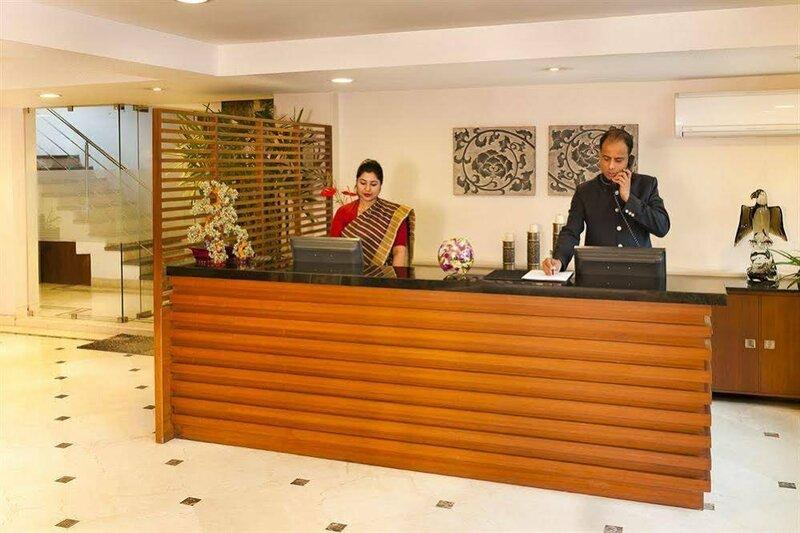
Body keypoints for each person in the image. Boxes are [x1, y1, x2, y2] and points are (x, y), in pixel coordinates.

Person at [542, 127, 670, 274]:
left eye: (618, 160)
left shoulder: (646, 185)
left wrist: (629, 198)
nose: (611, 166)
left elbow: (662, 227)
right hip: (597, 273)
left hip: (639, 273)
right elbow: (571, 232)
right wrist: (559, 260)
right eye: (606, 158)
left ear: (629, 160)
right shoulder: (585, 191)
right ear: (599, 156)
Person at [329, 159, 415, 267]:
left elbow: (399, 251)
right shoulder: (343, 212)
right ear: (356, 182)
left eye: (373, 184)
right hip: (348, 273)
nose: (367, 189)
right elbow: (334, 249)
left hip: (383, 274)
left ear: (380, 185)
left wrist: (394, 277)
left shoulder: (395, 215)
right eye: (363, 183)